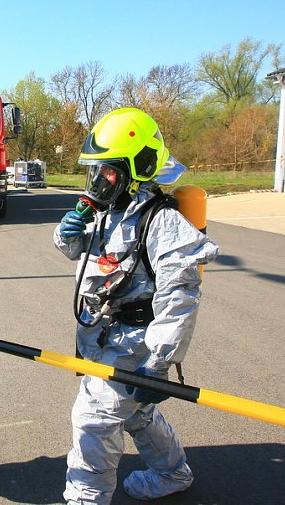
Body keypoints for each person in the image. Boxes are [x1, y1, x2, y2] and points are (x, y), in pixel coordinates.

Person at [53, 108, 219, 504]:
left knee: (93, 420)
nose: (99, 180)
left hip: (135, 342)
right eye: (95, 171)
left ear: (138, 169)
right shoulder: (109, 212)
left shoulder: (161, 222)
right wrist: (66, 234)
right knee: (136, 413)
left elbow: (180, 298)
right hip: (103, 334)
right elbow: (87, 256)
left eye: (108, 171)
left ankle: (86, 498)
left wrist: (158, 363)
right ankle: (172, 472)